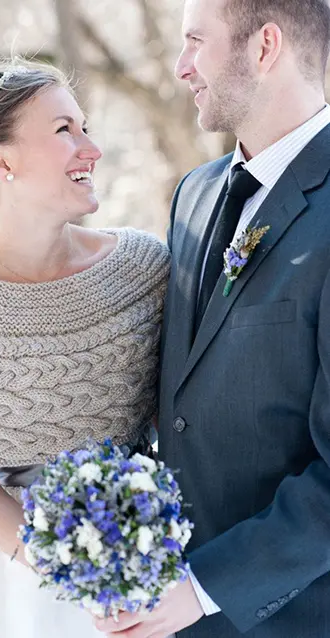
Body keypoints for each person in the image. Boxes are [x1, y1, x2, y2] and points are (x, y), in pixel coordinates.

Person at [0, 60, 170, 638]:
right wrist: (64, 567)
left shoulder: (145, 270)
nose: (91, 148)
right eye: (65, 130)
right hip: (5, 582)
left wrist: (129, 565)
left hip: (145, 564)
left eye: (85, 126)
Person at [95, 0, 330, 637]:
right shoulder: (194, 195)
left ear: (265, 46)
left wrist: (203, 589)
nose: (179, 67)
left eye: (196, 42)